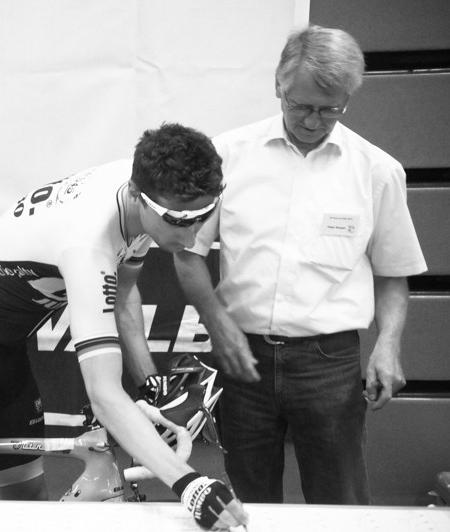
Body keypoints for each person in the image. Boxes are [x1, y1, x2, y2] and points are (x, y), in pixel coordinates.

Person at [0, 123, 248, 529]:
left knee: (28, 504)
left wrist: (150, 384)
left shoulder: (149, 194)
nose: (191, 238)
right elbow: (103, 394)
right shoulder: (88, 239)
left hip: (6, 349)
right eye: (178, 221)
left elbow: (123, 295)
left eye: (203, 217)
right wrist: (190, 485)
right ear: (136, 195)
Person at [175, 25, 427, 505]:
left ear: (349, 98)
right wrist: (219, 326)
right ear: (278, 85)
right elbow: (187, 254)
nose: (313, 121)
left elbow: (393, 273)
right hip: (242, 356)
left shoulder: (377, 170)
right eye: (301, 105)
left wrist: (389, 344)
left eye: (330, 109)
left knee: (340, 504)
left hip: (329, 363)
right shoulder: (227, 156)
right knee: (249, 503)